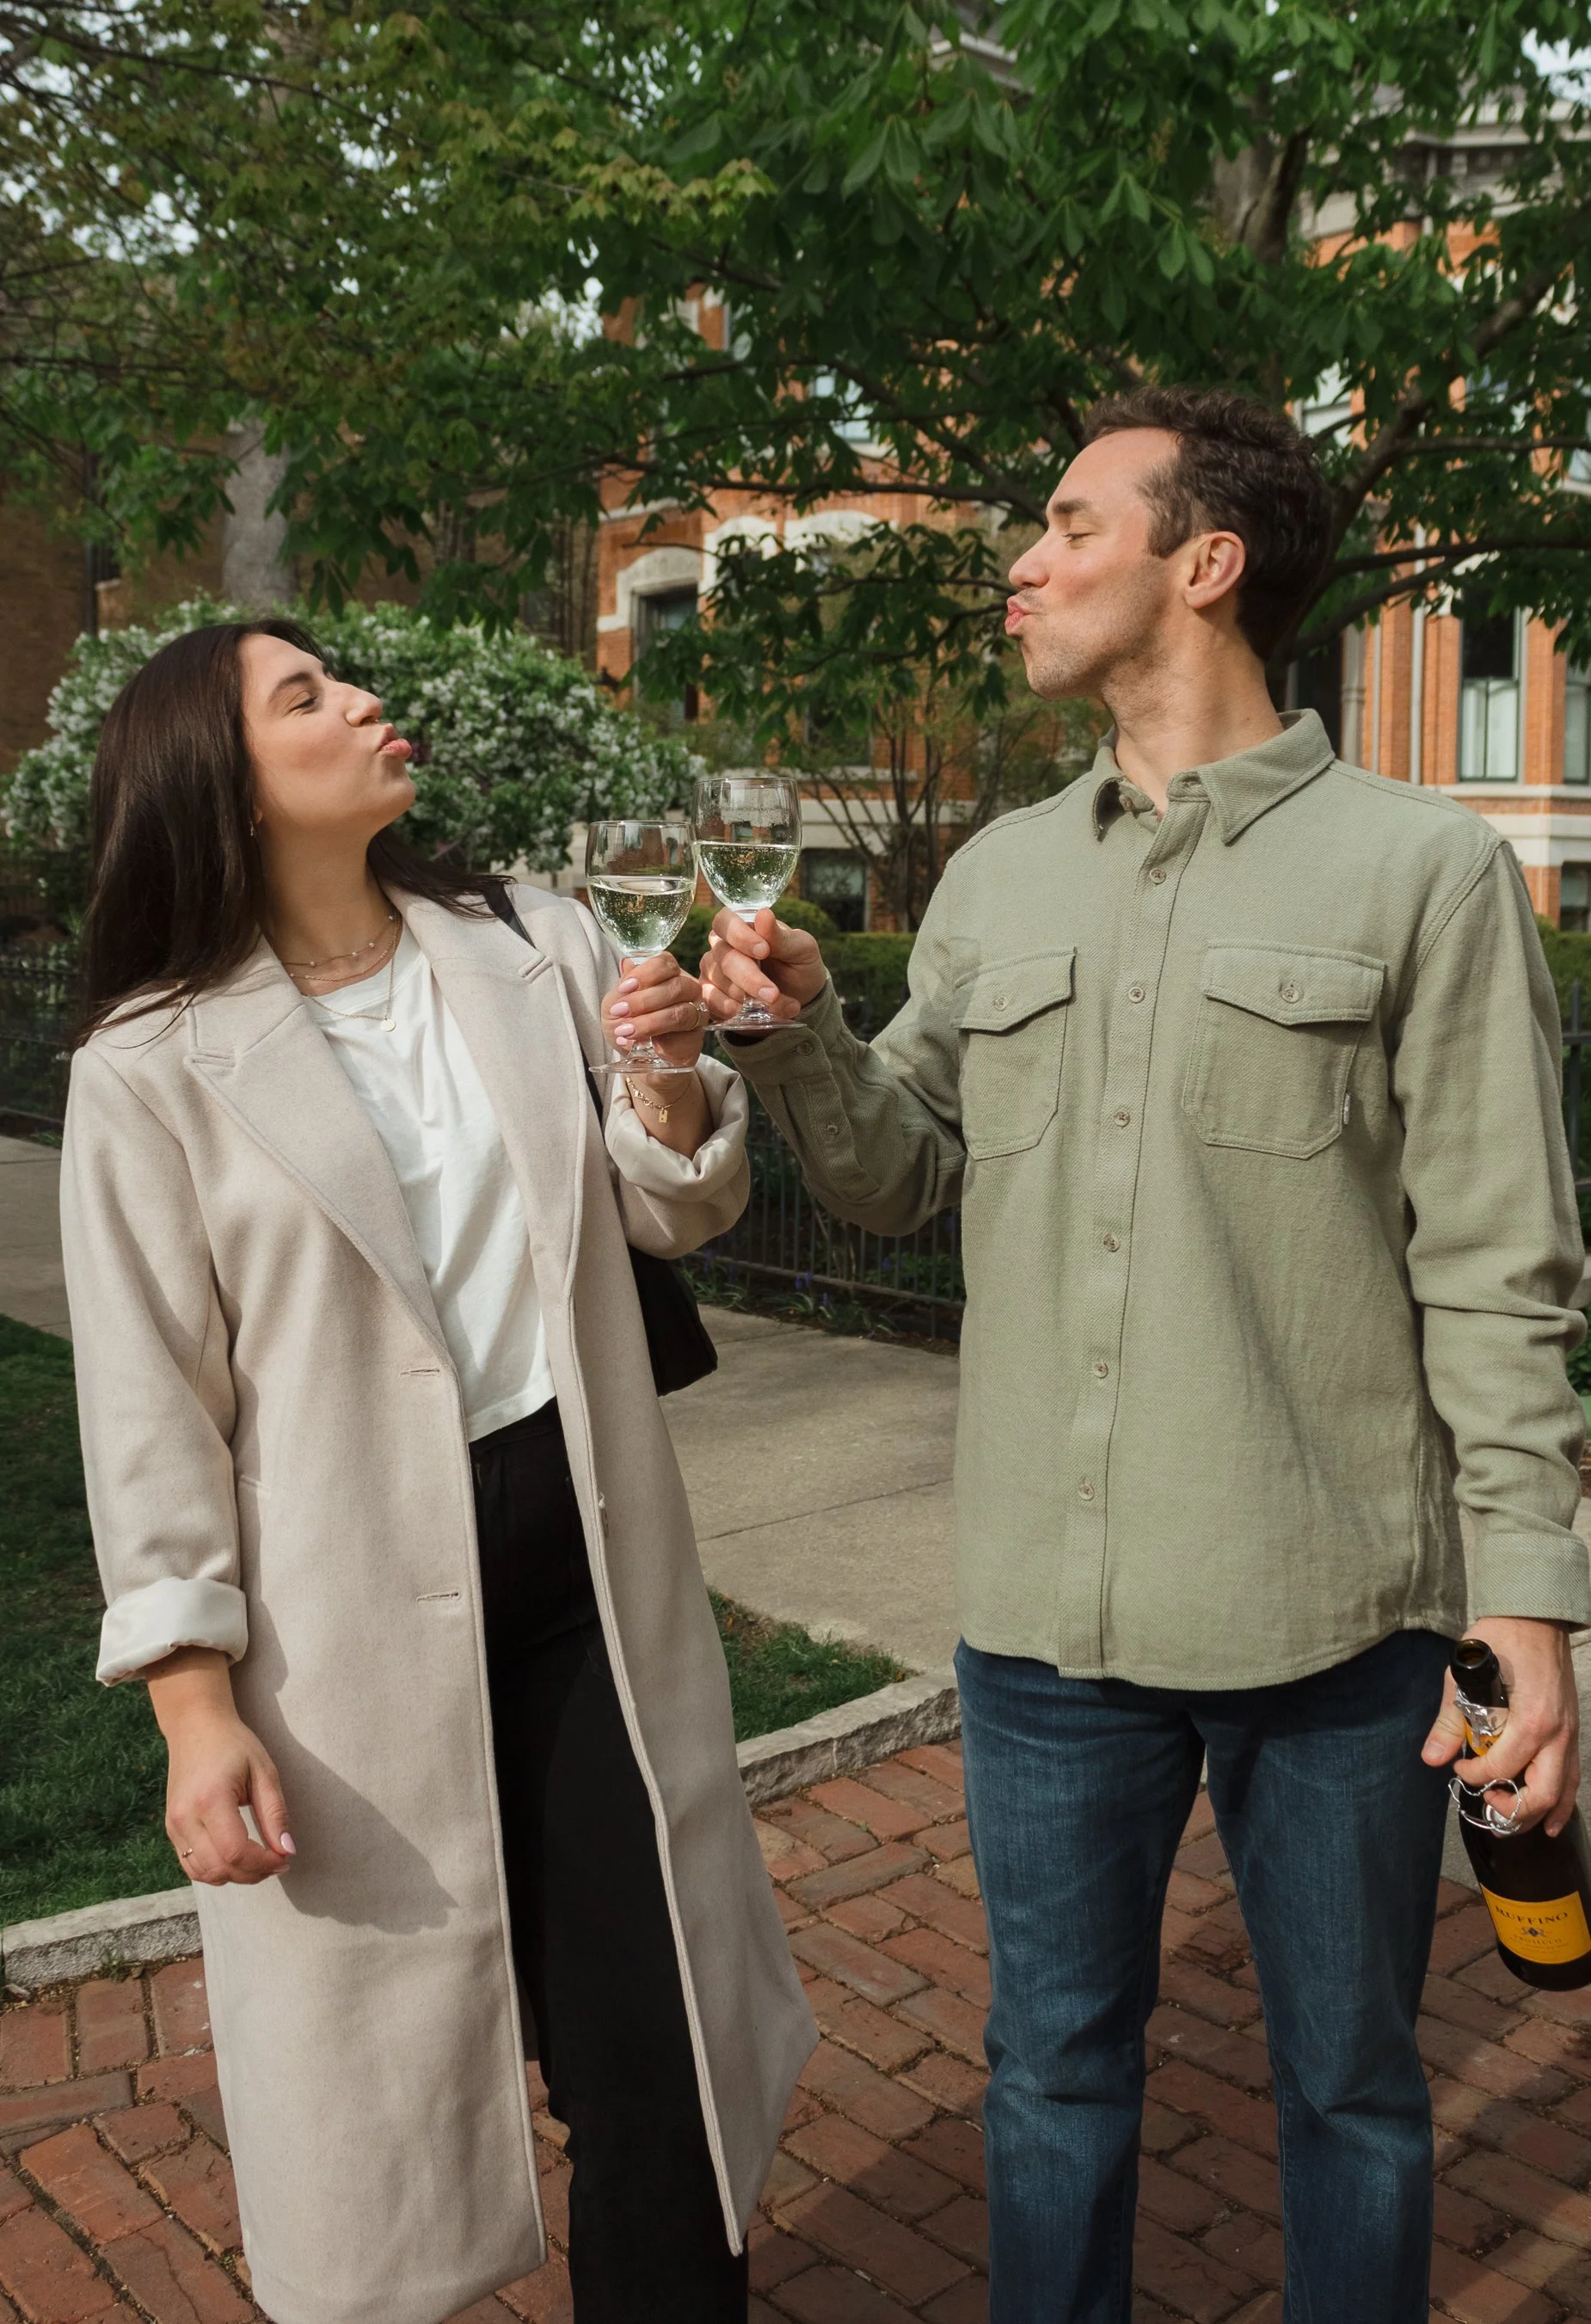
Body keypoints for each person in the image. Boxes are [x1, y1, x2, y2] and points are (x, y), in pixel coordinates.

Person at [702, 385, 1588, 2322]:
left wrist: (1528, 1600)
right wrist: (795, 1040)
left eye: (1068, 523)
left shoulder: (1419, 875)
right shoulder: (1004, 879)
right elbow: (894, 1179)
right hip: (1041, 1629)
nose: (1021, 562)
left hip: (1336, 1630)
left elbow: (1506, 1269)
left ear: (1206, 563)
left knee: (1352, 2093)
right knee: (1048, 2082)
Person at [60, 619, 815, 2324]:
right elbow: (146, 1406)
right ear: (222, 785)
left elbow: (670, 1205)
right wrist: (193, 1700)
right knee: (393, 2105)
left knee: (658, 2056)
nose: (362, 702)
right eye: (303, 696)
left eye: (343, 676)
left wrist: (676, 1075)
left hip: (586, 1572)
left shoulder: (527, 944)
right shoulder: (150, 1066)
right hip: (344, 1621)